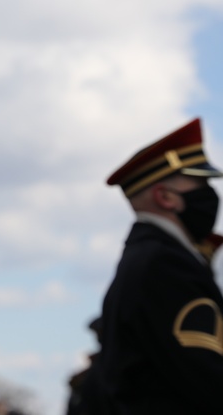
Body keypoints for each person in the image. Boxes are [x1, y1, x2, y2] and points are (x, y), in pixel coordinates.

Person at [97, 117, 223, 412]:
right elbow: (206, 374)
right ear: (165, 197)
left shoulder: (148, 257)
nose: (209, 193)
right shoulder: (164, 264)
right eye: (200, 183)